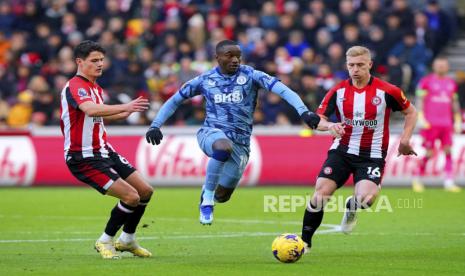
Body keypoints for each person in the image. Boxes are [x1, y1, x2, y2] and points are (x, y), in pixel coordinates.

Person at [146, 40, 327, 225]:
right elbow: (174, 100)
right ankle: (207, 200)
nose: (235, 60)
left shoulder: (251, 75)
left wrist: (304, 111)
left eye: (238, 56)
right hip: (211, 133)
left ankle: (210, 194)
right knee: (222, 146)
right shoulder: (205, 80)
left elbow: (284, 91)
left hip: (241, 143)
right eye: (229, 56)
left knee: (223, 196)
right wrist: (155, 125)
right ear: (217, 58)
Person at [300, 46, 418, 252]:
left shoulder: (388, 91)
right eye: (351, 65)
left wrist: (405, 140)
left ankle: (352, 207)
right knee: (321, 193)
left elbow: (411, 112)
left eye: (360, 65)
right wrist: (330, 126)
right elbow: (319, 120)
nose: (355, 70)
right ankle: (304, 242)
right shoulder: (338, 91)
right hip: (342, 150)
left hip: (371, 156)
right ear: (346, 65)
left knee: (365, 199)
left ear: (370, 65)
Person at [60, 40, 153, 259]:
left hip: (104, 150)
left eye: (102, 59)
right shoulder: (75, 86)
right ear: (79, 62)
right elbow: (90, 111)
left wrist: (126, 113)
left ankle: (127, 240)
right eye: (94, 60)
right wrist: (125, 106)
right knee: (131, 196)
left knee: (145, 191)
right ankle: (104, 240)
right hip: (83, 156)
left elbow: (102, 116)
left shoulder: (96, 88)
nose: (100, 64)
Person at [412, 57, 462, 193]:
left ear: (447, 67)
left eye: (443, 65)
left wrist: (457, 119)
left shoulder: (451, 83)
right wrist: (421, 117)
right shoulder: (426, 81)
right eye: (438, 65)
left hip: (446, 124)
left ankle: (449, 182)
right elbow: (420, 99)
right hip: (430, 124)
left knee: (448, 151)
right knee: (429, 152)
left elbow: (454, 102)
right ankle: (417, 177)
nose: (441, 67)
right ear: (434, 66)